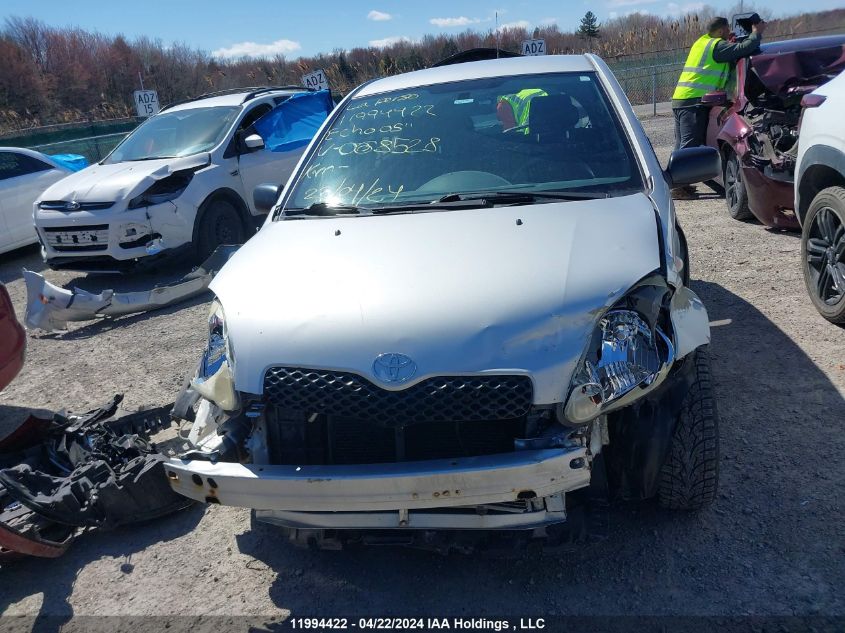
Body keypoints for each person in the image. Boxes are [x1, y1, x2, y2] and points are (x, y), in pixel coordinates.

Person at [671, 15, 767, 199]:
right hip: (694, 101)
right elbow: (744, 48)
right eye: (727, 30)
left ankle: (679, 183)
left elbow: (728, 55)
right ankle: (678, 187)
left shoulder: (703, 42)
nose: (729, 33)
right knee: (689, 145)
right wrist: (756, 33)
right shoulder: (716, 45)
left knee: (682, 145)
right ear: (722, 30)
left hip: (683, 99)